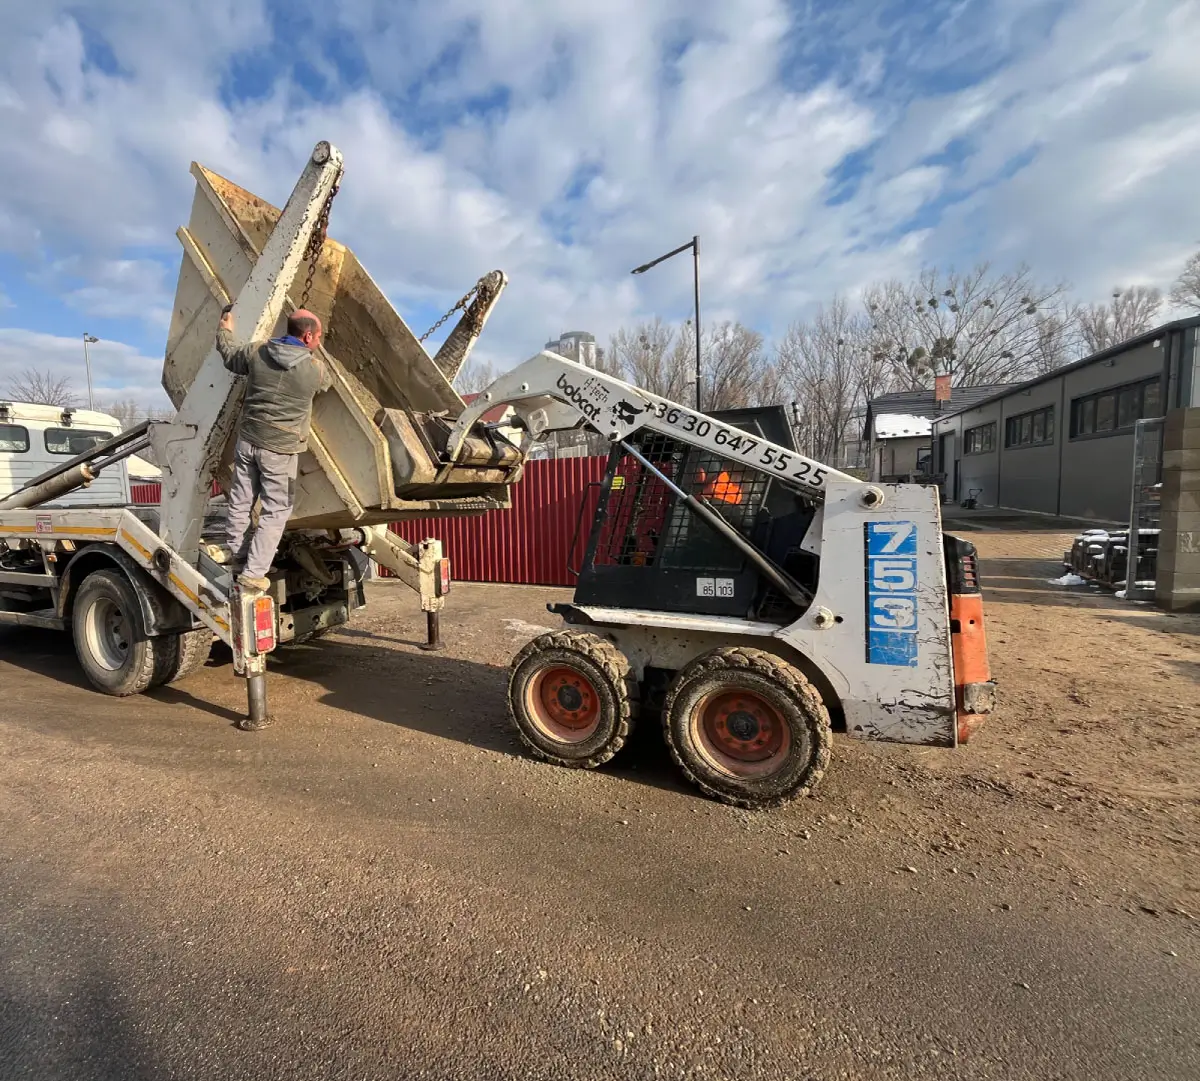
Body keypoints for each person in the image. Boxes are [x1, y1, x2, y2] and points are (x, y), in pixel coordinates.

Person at [215, 306, 331, 592]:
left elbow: (229, 355)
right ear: (306, 337)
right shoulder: (314, 370)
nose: (319, 342)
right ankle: (253, 574)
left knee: (241, 501)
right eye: (318, 337)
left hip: (249, 440)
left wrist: (224, 329)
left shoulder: (257, 352)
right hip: (280, 449)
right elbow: (328, 384)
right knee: (275, 510)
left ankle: (238, 556)